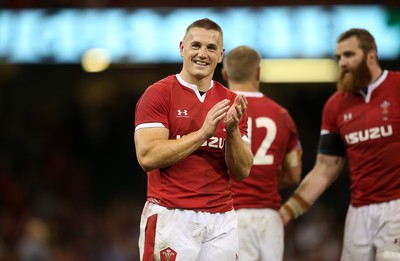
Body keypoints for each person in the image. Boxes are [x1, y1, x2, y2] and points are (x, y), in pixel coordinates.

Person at [134, 18, 253, 261]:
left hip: (222, 220)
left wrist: (231, 132)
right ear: (182, 48)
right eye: (195, 45)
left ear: (221, 55)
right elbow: (147, 156)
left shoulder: (232, 102)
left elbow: (242, 171)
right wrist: (202, 134)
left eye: (211, 48)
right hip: (171, 215)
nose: (202, 54)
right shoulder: (158, 94)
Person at [280, 28, 400, 261]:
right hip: (359, 211)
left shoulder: (397, 86)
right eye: (339, 57)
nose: (342, 63)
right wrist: (287, 211)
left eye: (349, 55)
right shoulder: (336, 105)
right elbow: (325, 169)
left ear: (371, 56)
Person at [221, 45, 303, 261]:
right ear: (258, 72)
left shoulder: (216, 112)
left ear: (225, 73)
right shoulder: (282, 115)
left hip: (228, 215)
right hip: (269, 217)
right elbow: (294, 174)